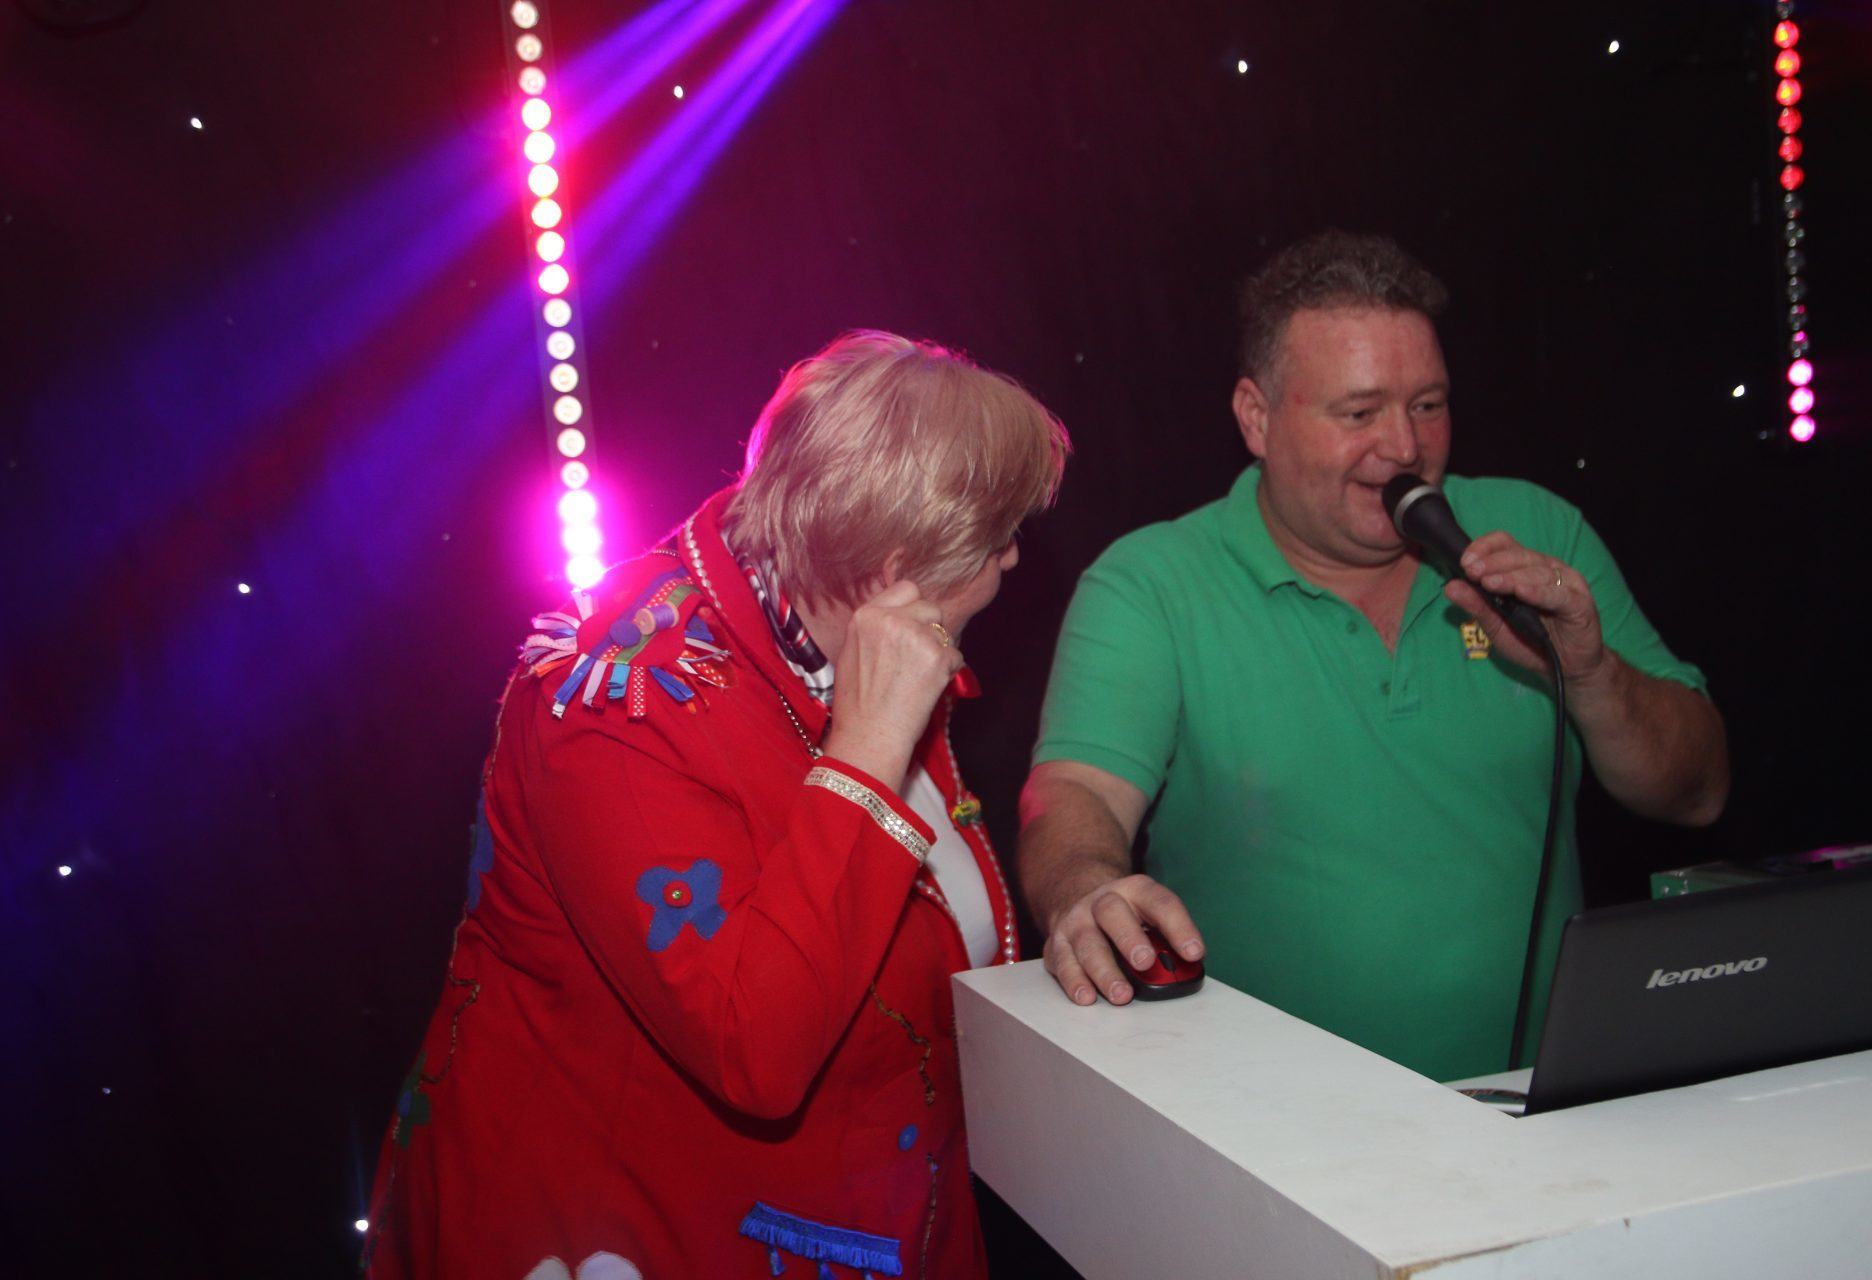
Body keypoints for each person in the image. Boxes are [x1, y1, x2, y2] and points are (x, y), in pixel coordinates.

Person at [364, 330, 1068, 1279]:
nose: (1012, 561)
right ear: (898, 563)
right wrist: (867, 751)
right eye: (994, 540)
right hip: (635, 1234)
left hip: (875, 1211)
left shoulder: (858, 632)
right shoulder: (618, 702)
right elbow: (755, 1049)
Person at [1018, 232, 1729, 1082]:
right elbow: (1077, 793)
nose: (1404, 447)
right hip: (1271, 1122)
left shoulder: (1537, 534)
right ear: (1256, 418)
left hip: (1544, 1102)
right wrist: (1085, 890)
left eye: (1427, 405)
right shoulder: (1151, 584)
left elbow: (1697, 793)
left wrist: (1589, 672)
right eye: (1359, 414)